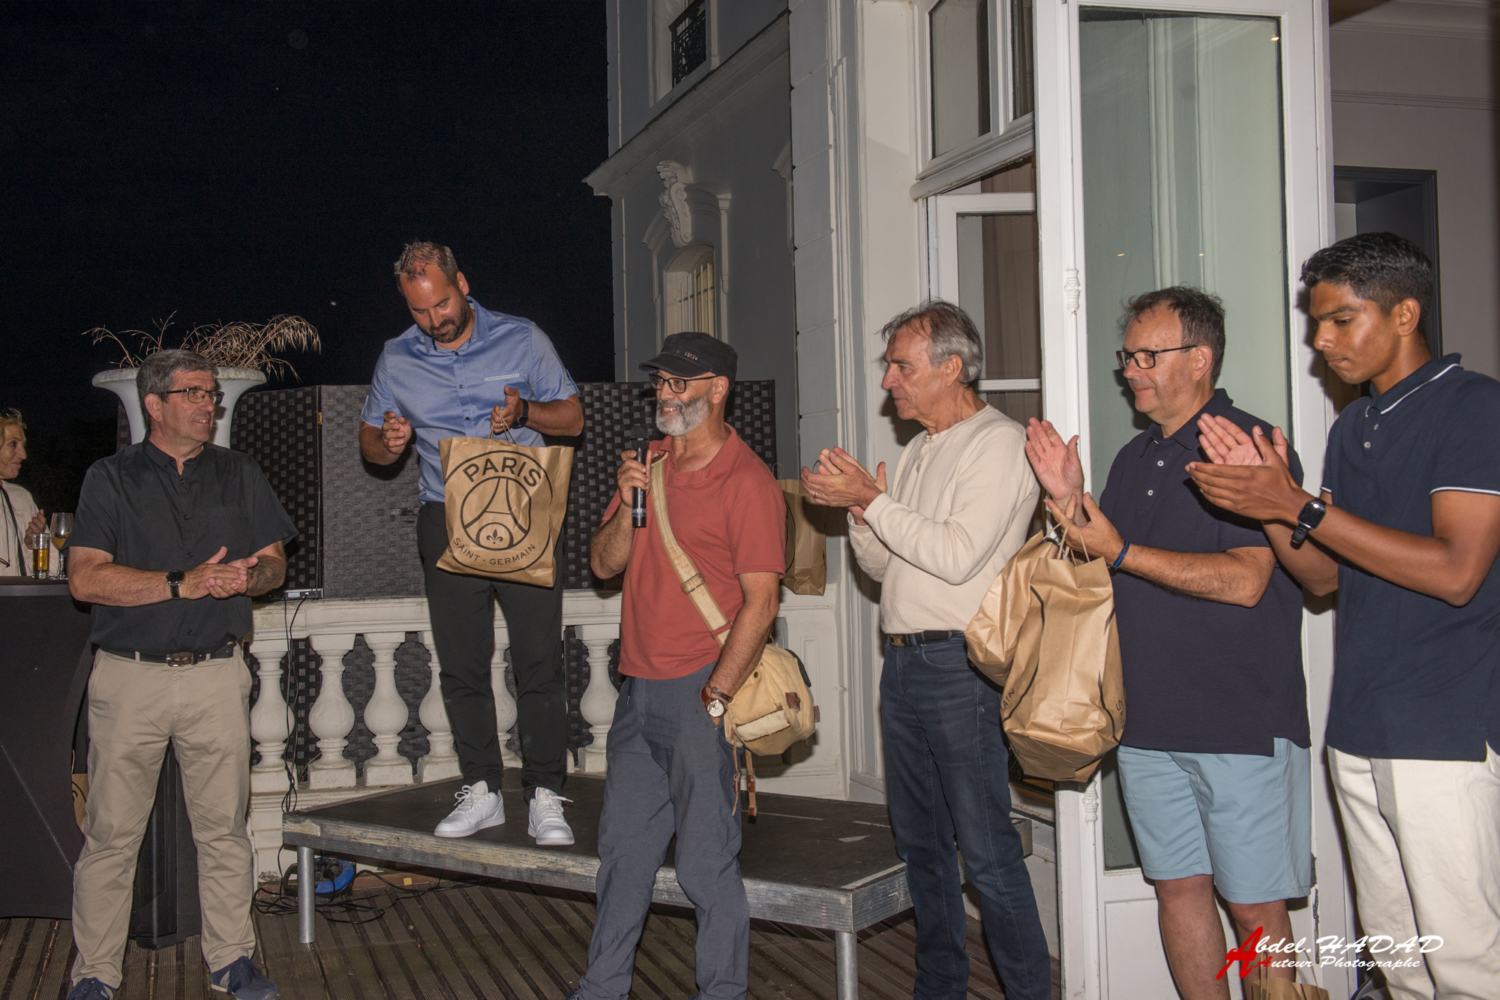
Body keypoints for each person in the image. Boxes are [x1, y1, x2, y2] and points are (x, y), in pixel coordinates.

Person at [1189, 233, 1500, 999]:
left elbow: (1457, 572)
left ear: (1405, 314)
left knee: (1465, 963)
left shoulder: (1474, 407)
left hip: (1444, 729)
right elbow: (1324, 577)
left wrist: (1296, 504)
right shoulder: (1352, 427)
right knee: (1400, 962)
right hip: (1360, 725)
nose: (1321, 342)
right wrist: (1269, 508)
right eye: (1316, 324)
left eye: (1340, 320)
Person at [1026, 287, 1311, 998]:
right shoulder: (1134, 457)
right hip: (1147, 722)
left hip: (1239, 723)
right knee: (1178, 890)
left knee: (1254, 907)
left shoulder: (1246, 446)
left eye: (1147, 356)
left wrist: (1122, 551)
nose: (1131, 370)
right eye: (1127, 356)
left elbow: (1246, 581)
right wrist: (1068, 501)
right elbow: (1104, 565)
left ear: (1200, 358)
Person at [802, 301, 1051, 1000]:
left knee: (986, 851)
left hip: (960, 668)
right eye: (889, 367)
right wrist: (862, 513)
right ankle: (939, 989)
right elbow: (887, 568)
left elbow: (956, 555)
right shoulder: (919, 450)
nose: (889, 382)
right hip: (906, 663)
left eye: (901, 367)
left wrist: (875, 501)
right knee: (922, 848)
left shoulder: (998, 443)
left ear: (951, 368)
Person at [63, 350, 296, 1000]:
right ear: (154, 404)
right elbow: (85, 579)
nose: (208, 404)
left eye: (211, 393)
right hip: (128, 680)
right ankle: (95, 973)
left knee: (224, 831)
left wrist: (249, 577)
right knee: (112, 835)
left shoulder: (240, 472)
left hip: (217, 676)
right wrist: (180, 583)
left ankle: (232, 961)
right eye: (194, 392)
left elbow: (275, 564)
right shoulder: (109, 478)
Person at [571, 332, 784, 1000]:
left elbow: (762, 601)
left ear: (717, 390)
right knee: (624, 854)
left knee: (704, 862)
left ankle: (723, 991)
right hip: (638, 691)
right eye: (660, 381)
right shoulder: (649, 465)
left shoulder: (746, 481)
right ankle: (602, 988)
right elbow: (603, 564)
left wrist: (717, 695)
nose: (664, 393)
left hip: (700, 690)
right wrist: (625, 498)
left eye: (678, 382)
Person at [360, 241, 584, 844]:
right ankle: (482, 788)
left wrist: (526, 412)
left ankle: (544, 794)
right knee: (461, 663)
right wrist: (388, 440)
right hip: (444, 514)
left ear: (462, 282)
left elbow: (574, 418)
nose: (435, 320)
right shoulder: (396, 358)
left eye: (442, 304)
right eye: (420, 311)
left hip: (525, 507)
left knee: (539, 660)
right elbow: (371, 445)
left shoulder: (522, 338)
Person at [0, 409, 47, 576]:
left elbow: (48, 573)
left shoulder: (21, 497)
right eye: (13, 444)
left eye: (23, 446)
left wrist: (32, 545)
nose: (23, 455)